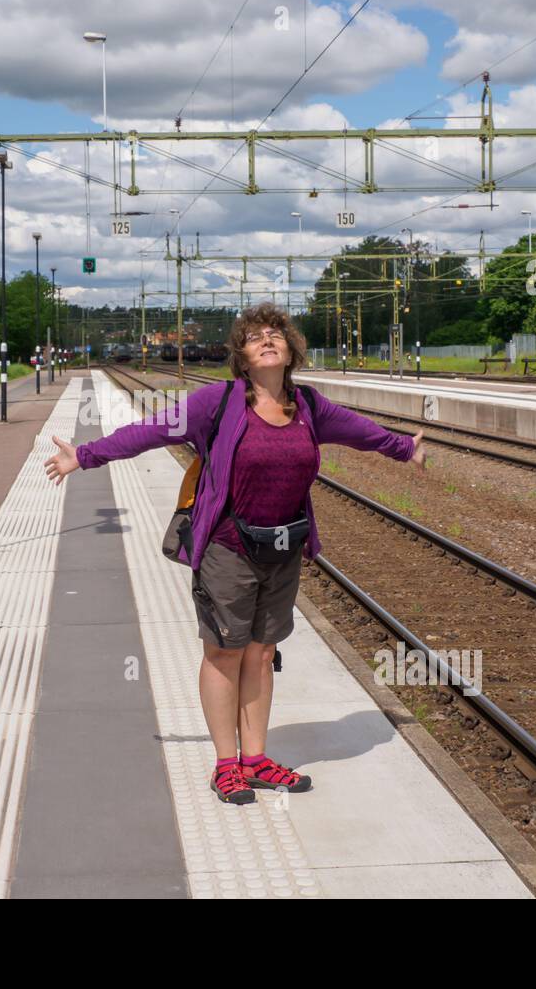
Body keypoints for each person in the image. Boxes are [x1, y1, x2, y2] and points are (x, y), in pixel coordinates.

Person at [44, 303, 426, 806]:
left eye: (276, 334)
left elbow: (361, 432)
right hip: (227, 548)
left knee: (262, 652)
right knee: (224, 652)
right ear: (242, 358)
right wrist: (86, 456)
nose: (267, 340)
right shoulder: (215, 404)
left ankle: (257, 757)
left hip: (283, 548)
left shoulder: (309, 406)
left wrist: (404, 448)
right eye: (254, 337)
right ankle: (227, 764)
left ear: (290, 350)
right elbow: (151, 431)